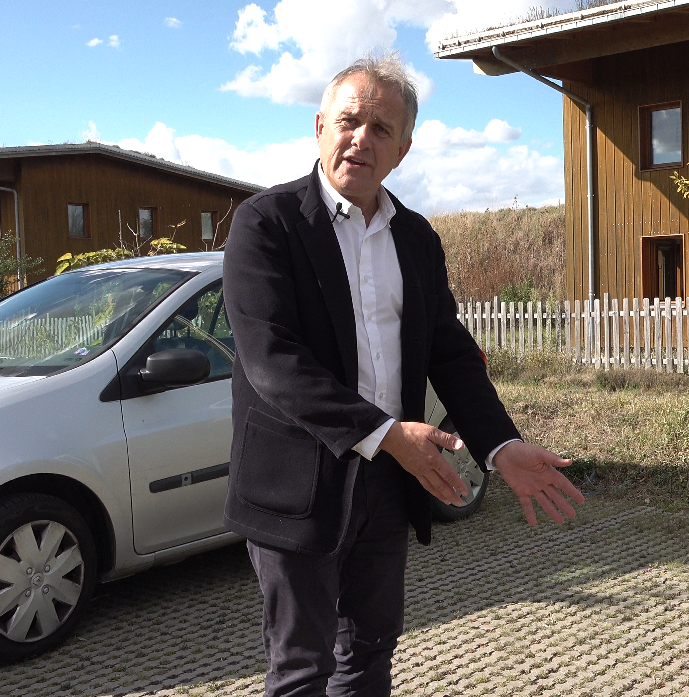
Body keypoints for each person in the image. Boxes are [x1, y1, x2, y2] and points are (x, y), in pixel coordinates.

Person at [222, 53, 584, 697]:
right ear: (320, 127)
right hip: (296, 485)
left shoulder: (416, 237)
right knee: (302, 669)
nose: (361, 138)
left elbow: (449, 351)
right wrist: (389, 434)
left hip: (389, 484)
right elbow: (272, 359)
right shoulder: (266, 223)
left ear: (402, 150)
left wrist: (500, 444)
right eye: (348, 121)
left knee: (369, 655)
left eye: (381, 128)